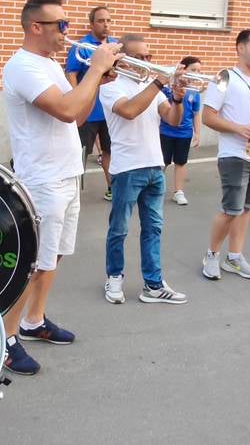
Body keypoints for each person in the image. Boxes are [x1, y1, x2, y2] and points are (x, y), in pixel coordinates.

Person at [1, 0, 121, 374]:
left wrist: (97, 80)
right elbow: (67, 109)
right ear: (36, 26)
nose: (68, 33)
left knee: (53, 255)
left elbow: (80, 116)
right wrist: (96, 69)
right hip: (42, 179)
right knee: (32, 262)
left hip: (66, 173)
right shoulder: (23, 67)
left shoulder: (50, 65)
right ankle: (4, 339)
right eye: (61, 26)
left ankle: (33, 321)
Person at [101, 34, 188, 305]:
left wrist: (177, 98)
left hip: (154, 166)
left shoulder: (152, 88)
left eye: (148, 56)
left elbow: (172, 120)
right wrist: (159, 82)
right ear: (123, 59)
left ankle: (153, 284)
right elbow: (128, 111)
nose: (147, 62)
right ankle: (114, 277)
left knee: (154, 229)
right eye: (140, 57)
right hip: (127, 168)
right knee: (119, 228)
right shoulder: (112, 87)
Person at [201, 29, 250, 281]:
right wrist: (238, 128)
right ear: (240, 48)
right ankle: (211, 255)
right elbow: (208, 116)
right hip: (234, 154)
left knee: (245, 209)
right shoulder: (224, 77)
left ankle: (234, 257)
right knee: (230, 209)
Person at [66, 6, 117, 201]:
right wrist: (76, 100)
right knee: (81, 153)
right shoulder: (82, 46)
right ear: (91, 24)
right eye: (101, 21)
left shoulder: (115, 45)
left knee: (109, 151)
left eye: (109, 21)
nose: (106, 24)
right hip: (88, 110)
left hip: (110, 110)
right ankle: (73, 192)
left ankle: (112, 187)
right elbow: (71, 73)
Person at [160, 55, 202, 206]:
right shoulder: (169, 87)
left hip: (184, 133)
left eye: (199, 71)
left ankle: (178, 192)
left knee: (181, 162)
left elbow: (196, 113)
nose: (196, 73)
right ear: (183, 69)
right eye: (193, 70)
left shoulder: (195, 92)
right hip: (166, 131)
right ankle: (155, 189)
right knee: (162, 162)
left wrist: (197, 133)